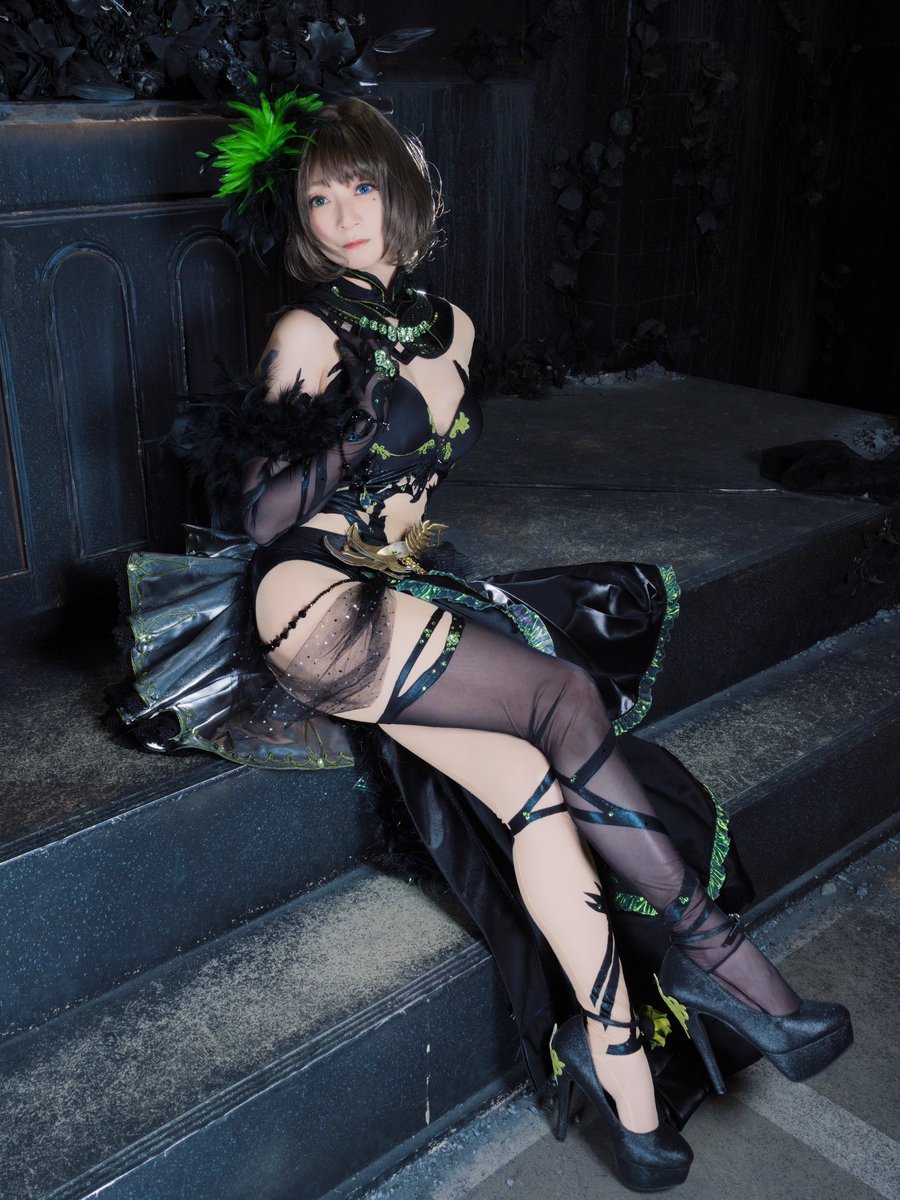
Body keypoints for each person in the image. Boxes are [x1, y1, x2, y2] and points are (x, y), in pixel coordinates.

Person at [118, 95, 852, 1192]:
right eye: (317, 199)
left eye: (361, 186)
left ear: (403, 192)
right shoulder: (308, 333)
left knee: (534, 795)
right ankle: (722, 957)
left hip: (395, 590)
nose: (341, 214)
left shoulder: (454, 327)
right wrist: (357, 423)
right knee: (563, 698)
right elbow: (262, 513)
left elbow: (418, 495)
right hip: (311, 599)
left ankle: (626, 1081)